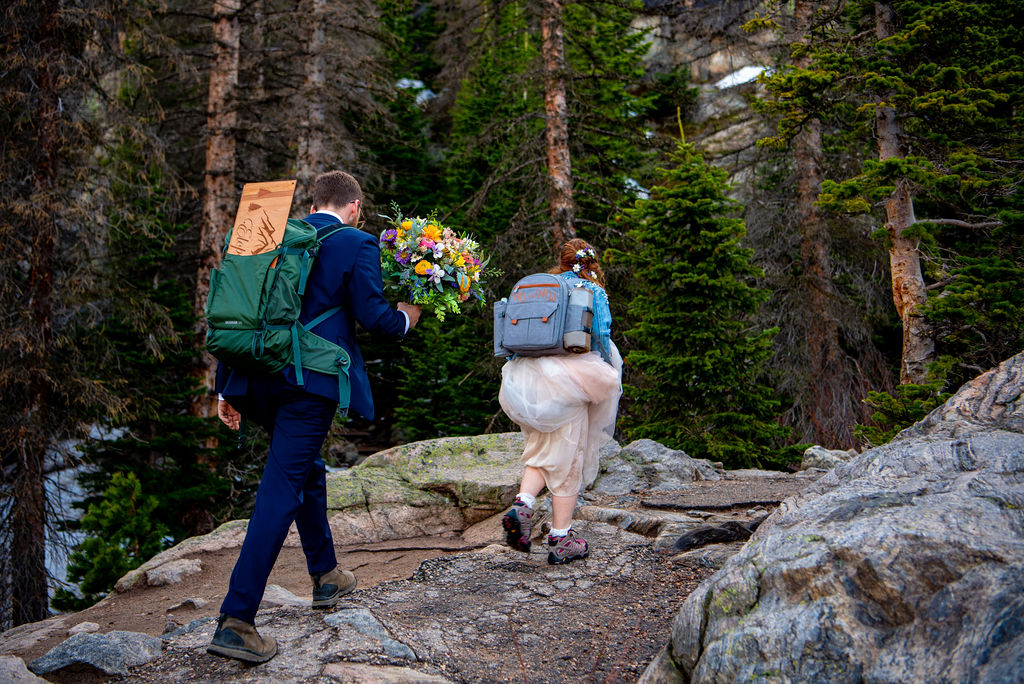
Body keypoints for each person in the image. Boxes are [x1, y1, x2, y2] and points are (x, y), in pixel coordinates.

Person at [207, 171, 422, 663]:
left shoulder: (268, 234)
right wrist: (412, 312)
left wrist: (225, 384)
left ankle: (326, 575)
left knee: (306, 470)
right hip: (308, 386)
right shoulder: (356, 242)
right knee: (280, 489)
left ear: (313, 204)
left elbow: (237, 308)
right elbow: (379, 321)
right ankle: (236, 620)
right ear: (353, 206)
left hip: (254, 377)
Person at [498, 238, 622, 565]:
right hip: (570, 379)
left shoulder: (544, 286)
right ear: (592, 264)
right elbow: (602, 335)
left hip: (529, 376)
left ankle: (523, 505)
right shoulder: (593, 291)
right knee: (571, 456)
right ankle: (561, 538)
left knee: (542, 448)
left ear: (562, 261)